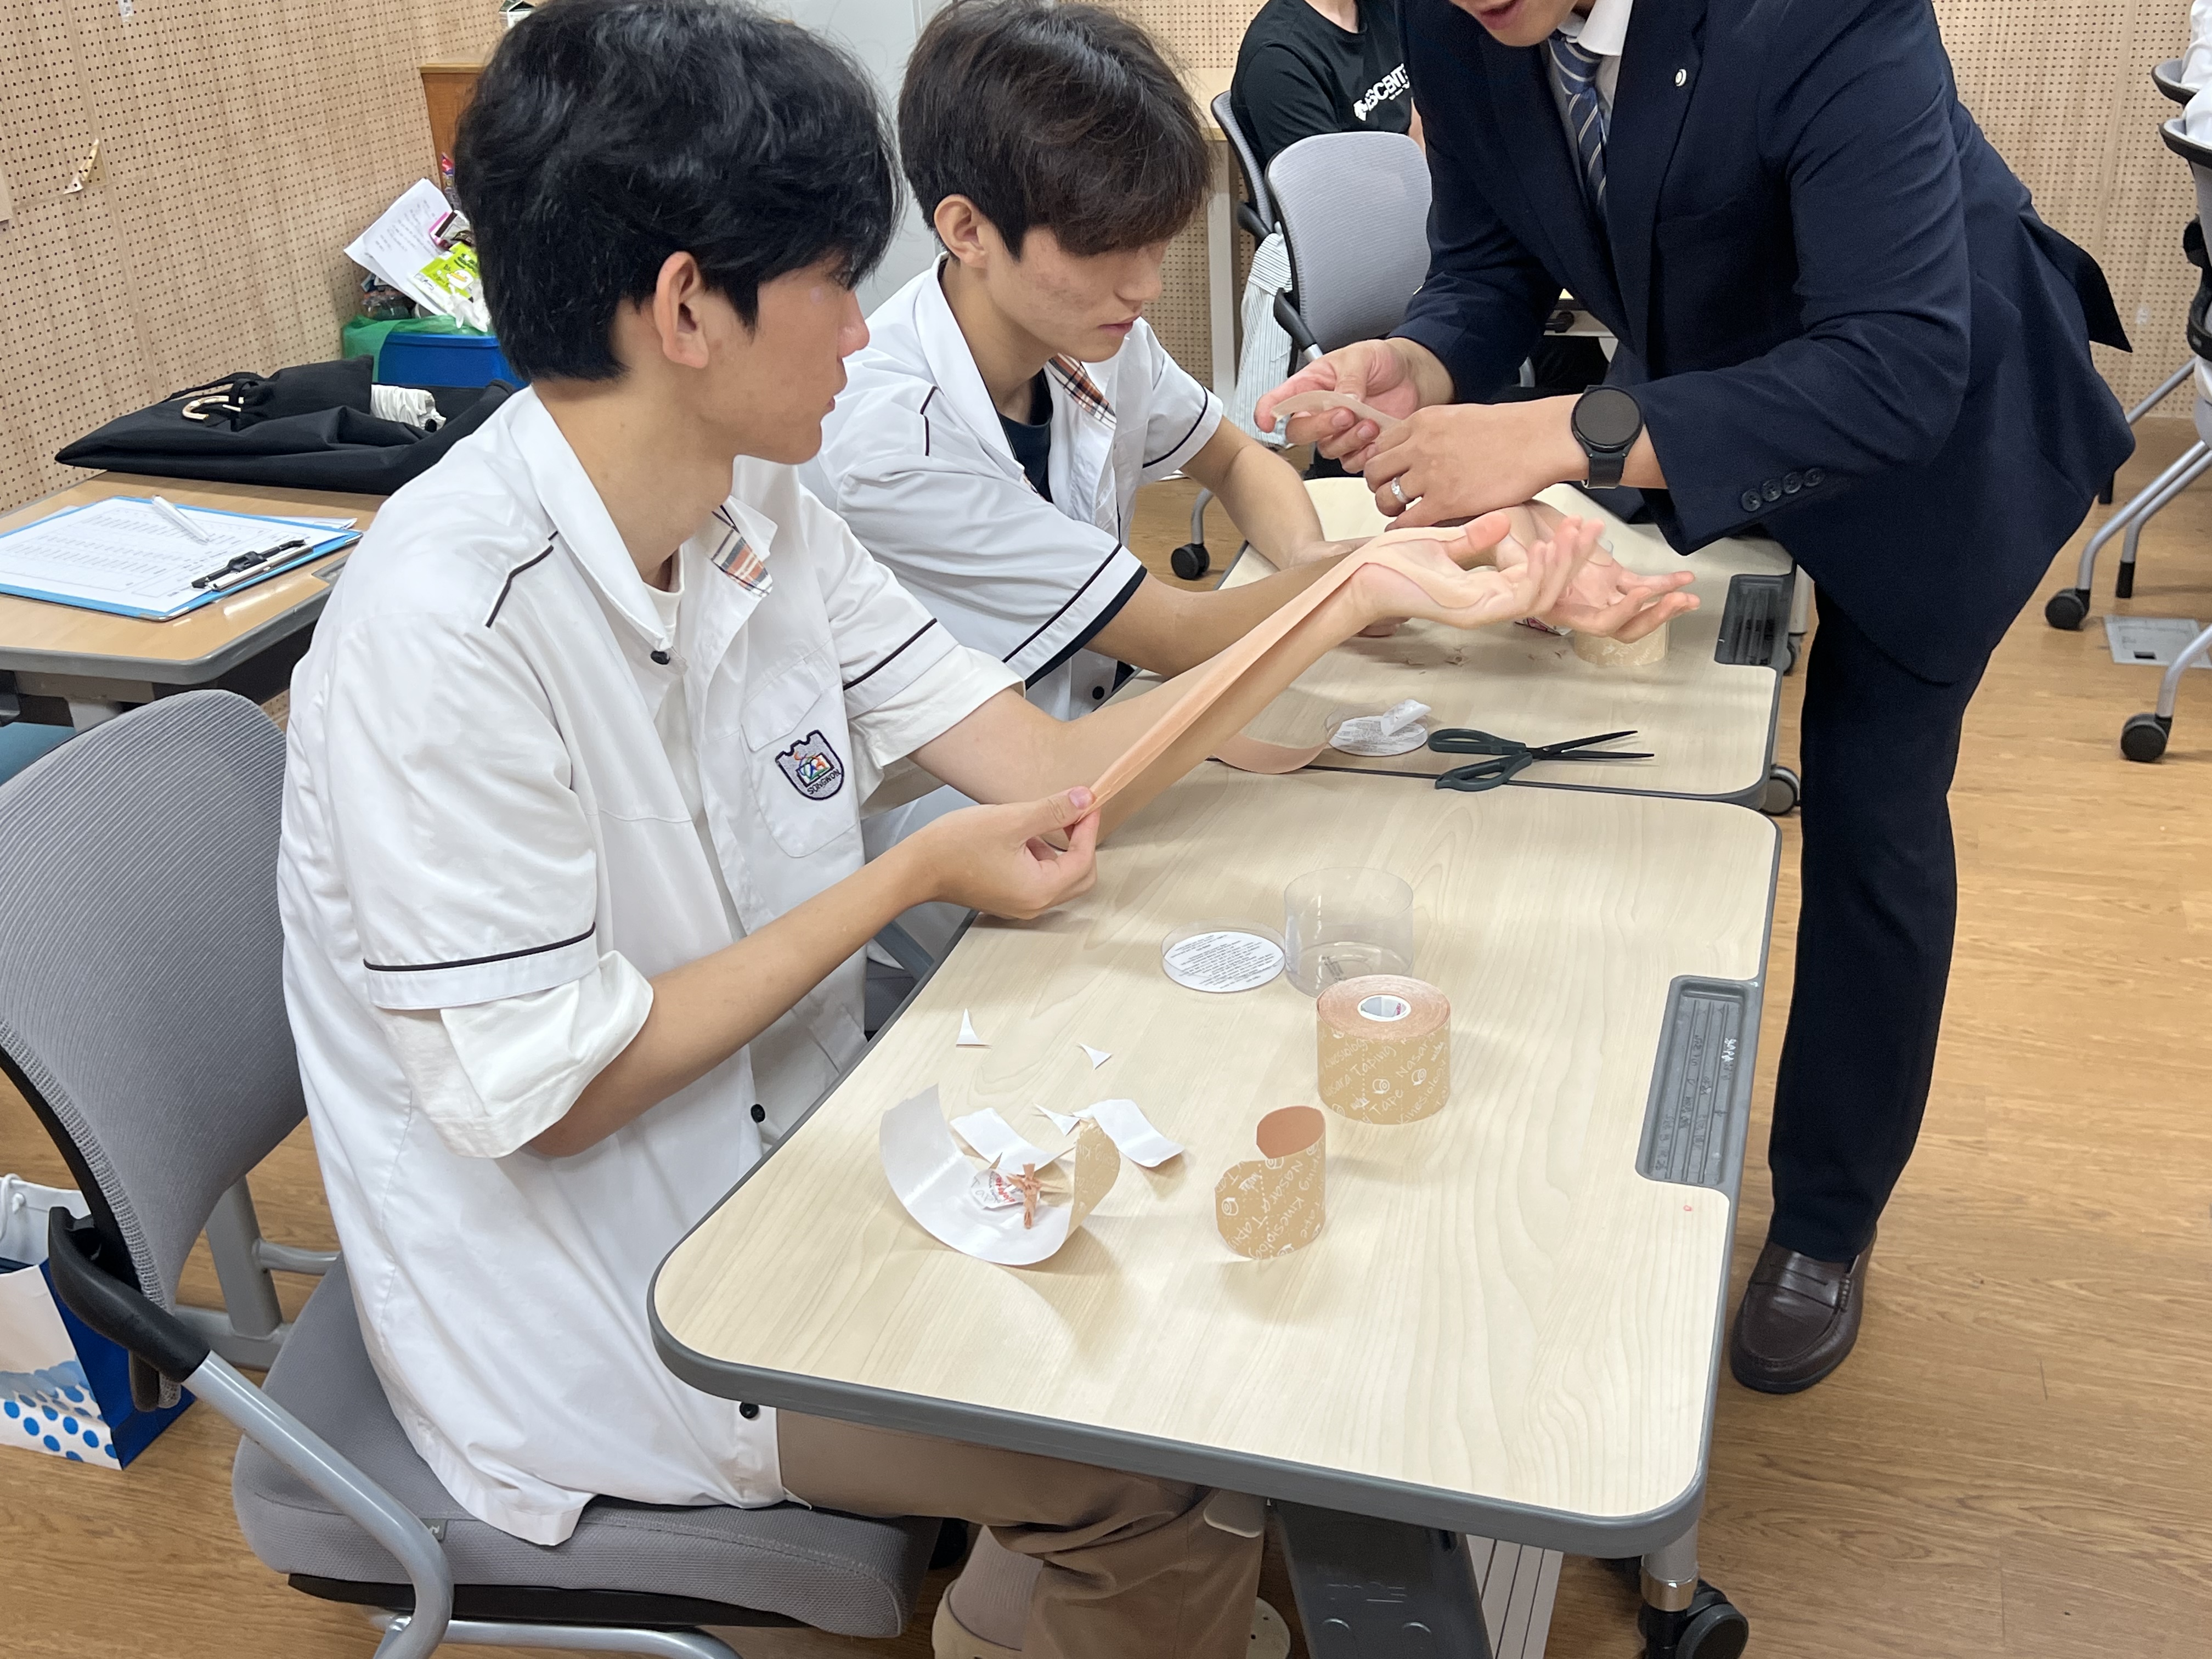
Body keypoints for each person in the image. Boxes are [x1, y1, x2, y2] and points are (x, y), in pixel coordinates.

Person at [275, 4, 1591, 1657]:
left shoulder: (756, 502)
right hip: (610, 1300)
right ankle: (1094, 1576)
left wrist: (1359, 591)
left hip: (799, 1144)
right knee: (1147, 1455)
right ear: (686, 308)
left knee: (1204, 1265)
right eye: (833, 281)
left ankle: (1041, 1606)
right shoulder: (445, 631)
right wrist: (901, 874)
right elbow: (556, 1094)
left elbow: (1047, 764)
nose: (861, 326)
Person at [1260, 0, 2135, 1395]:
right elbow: (1490, 262)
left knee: (1872, 802)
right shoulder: (1457, 20)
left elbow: (1897, 368)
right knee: (1619, 709)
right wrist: (1416, 362)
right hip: (1713, 395)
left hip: (1937, 428)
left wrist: (1565, 433)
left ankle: (1827, 1221)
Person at [811, 0, 1690, 956]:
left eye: (1153, 242)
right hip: (973, 851)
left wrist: (1312, 556)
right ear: (967, 229)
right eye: (1102, 249)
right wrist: (1397, 565)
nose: (1145, 286)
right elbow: (1174, 634)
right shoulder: (893, 440)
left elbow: (1231, 455)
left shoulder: (1087, 330)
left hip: (1100, 758)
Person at [1229, 0, 1415, 175]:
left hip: (1410, 174)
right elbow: (1331, 186)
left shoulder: (1386, 8)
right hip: (1363, 190)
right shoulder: (1278, 59)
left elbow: (1423, 112)